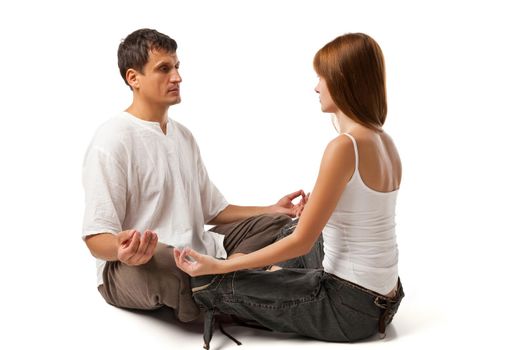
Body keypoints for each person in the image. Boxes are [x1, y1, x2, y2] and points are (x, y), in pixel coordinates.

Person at [174, 32, 404, 348]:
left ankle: (261, 278)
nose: (316, 86)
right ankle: (273, 273)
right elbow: (357, 216)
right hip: (386, 299)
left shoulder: (343, 147)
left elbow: (301, 243)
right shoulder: (385, 142)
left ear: (343, 80)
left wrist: (222, 266)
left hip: (348, 308)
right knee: (296, 226)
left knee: (206, 283)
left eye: (321, 77)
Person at [81, 28, 307, 324]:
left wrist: (273, 209)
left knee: (277, 225)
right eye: (164, 69)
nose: (177, 77)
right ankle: (225, 295)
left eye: (176, 67)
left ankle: (221, 279)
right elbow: (96, 237)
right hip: (135, 266)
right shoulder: (111, 140)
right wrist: (123, 250)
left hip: (197, 254)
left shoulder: (183, 136)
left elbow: (215, 210)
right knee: (166, 259)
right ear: (133, 78)